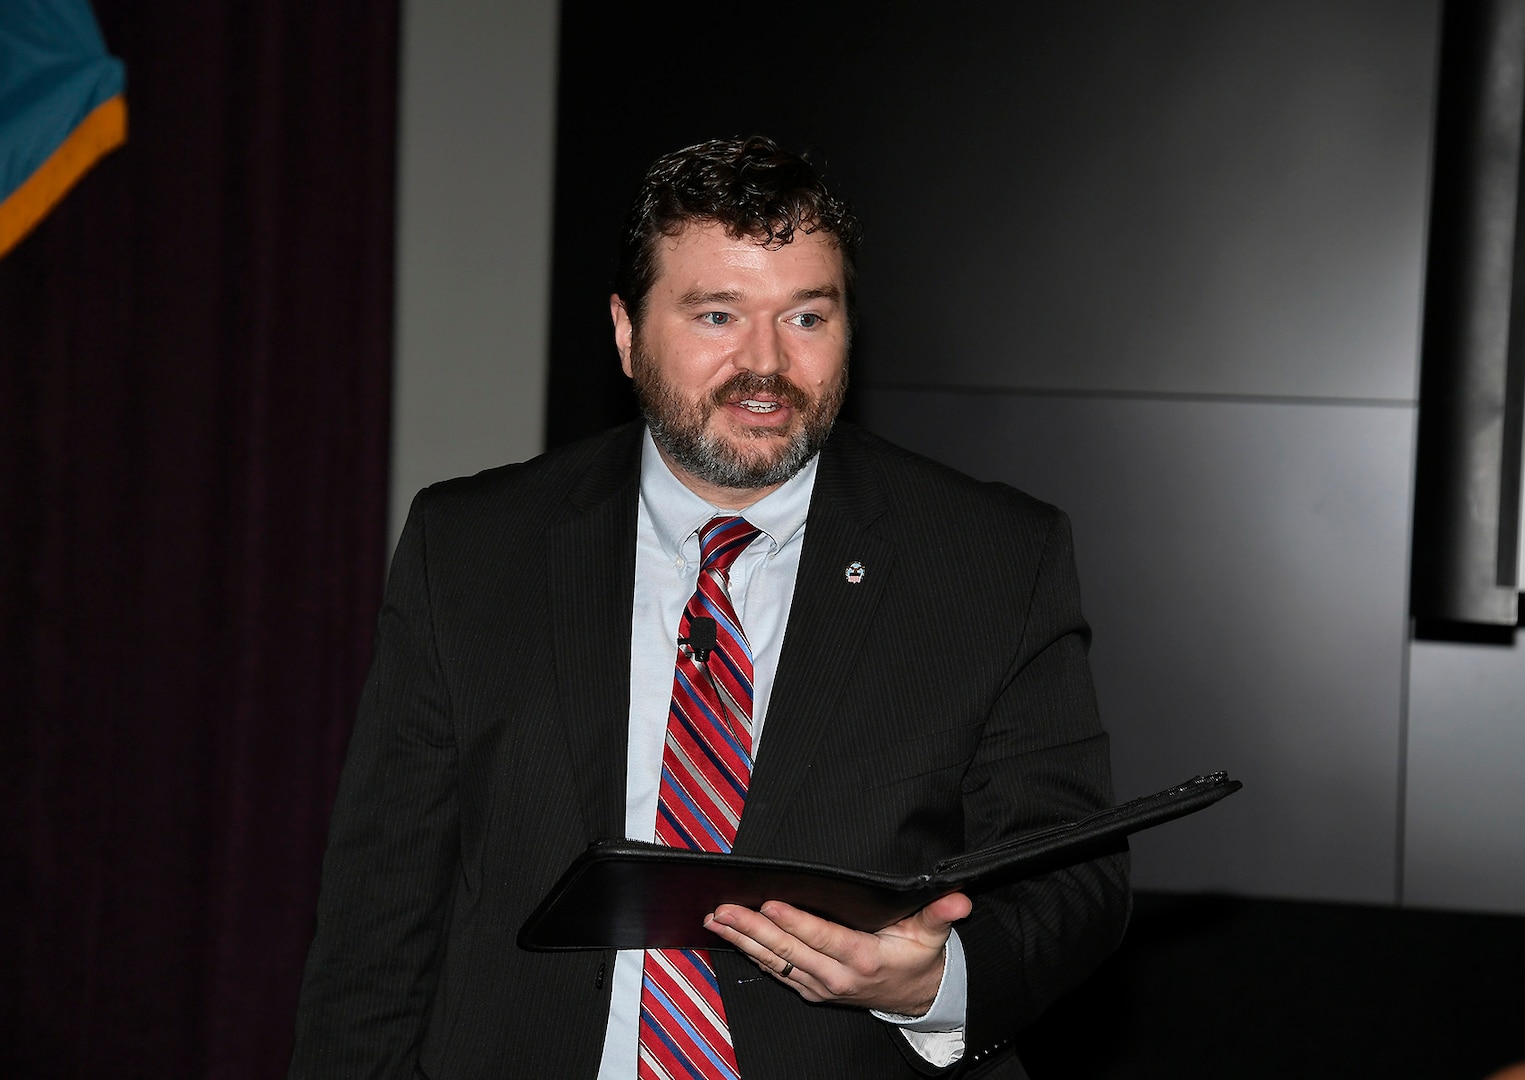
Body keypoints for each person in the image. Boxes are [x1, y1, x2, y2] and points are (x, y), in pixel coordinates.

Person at [290, 135, 1128, 1079]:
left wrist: (931, 985)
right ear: (625, 331)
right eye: (719, 314)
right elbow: (380, 917)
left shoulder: (989, 559)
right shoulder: (475, 549)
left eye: (807, 317)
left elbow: (1072, 876)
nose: (764, 364)